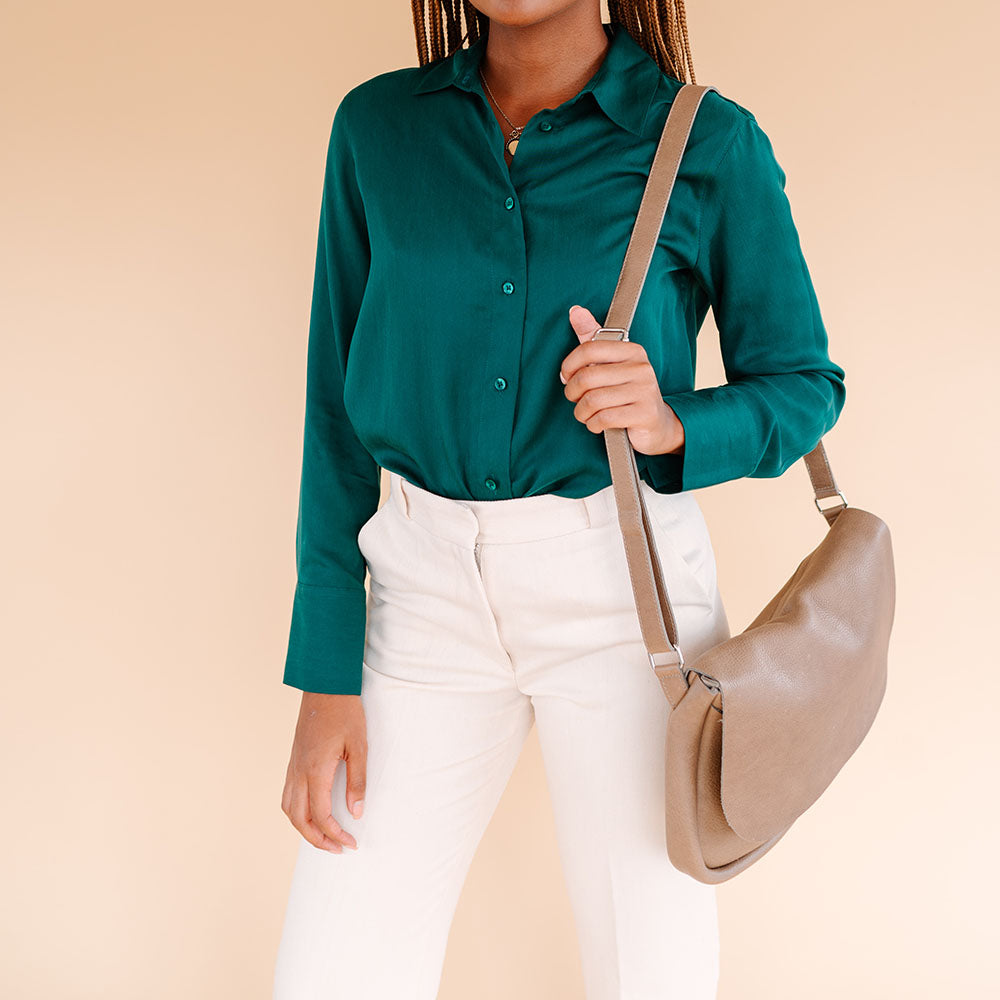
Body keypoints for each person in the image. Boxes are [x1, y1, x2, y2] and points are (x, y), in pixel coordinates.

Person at [272, 1, 847, 997]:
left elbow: (804, 383)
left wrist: (670, 422)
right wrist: (326, 670)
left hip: (626, 596)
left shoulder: (706, 142)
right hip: (419, 589)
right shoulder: (378, 129)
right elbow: (334, 408)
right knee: (333, 969)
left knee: (650, 971)